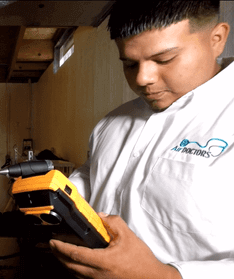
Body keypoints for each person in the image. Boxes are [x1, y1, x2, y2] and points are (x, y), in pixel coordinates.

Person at [49, 1, 234, 278]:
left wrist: (165, 275)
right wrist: (60, 197)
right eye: (129, 63)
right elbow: (93, 173)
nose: (142, 78)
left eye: (164, 59)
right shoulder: (112, 122)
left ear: (216, 39)